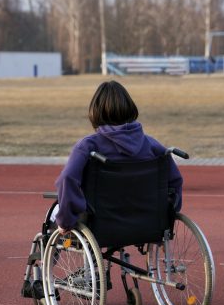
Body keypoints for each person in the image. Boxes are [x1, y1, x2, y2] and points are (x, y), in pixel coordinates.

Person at [54, 80, 183, 234]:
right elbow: (175, 181)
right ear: (130, 108)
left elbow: (68, 178)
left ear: (95, 111)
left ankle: (48, 255)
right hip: (147, 221)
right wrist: (168, 215)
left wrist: (65, 221)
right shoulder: (152, 145)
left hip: (101, 222)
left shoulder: (89, 145)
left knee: (55, 213)